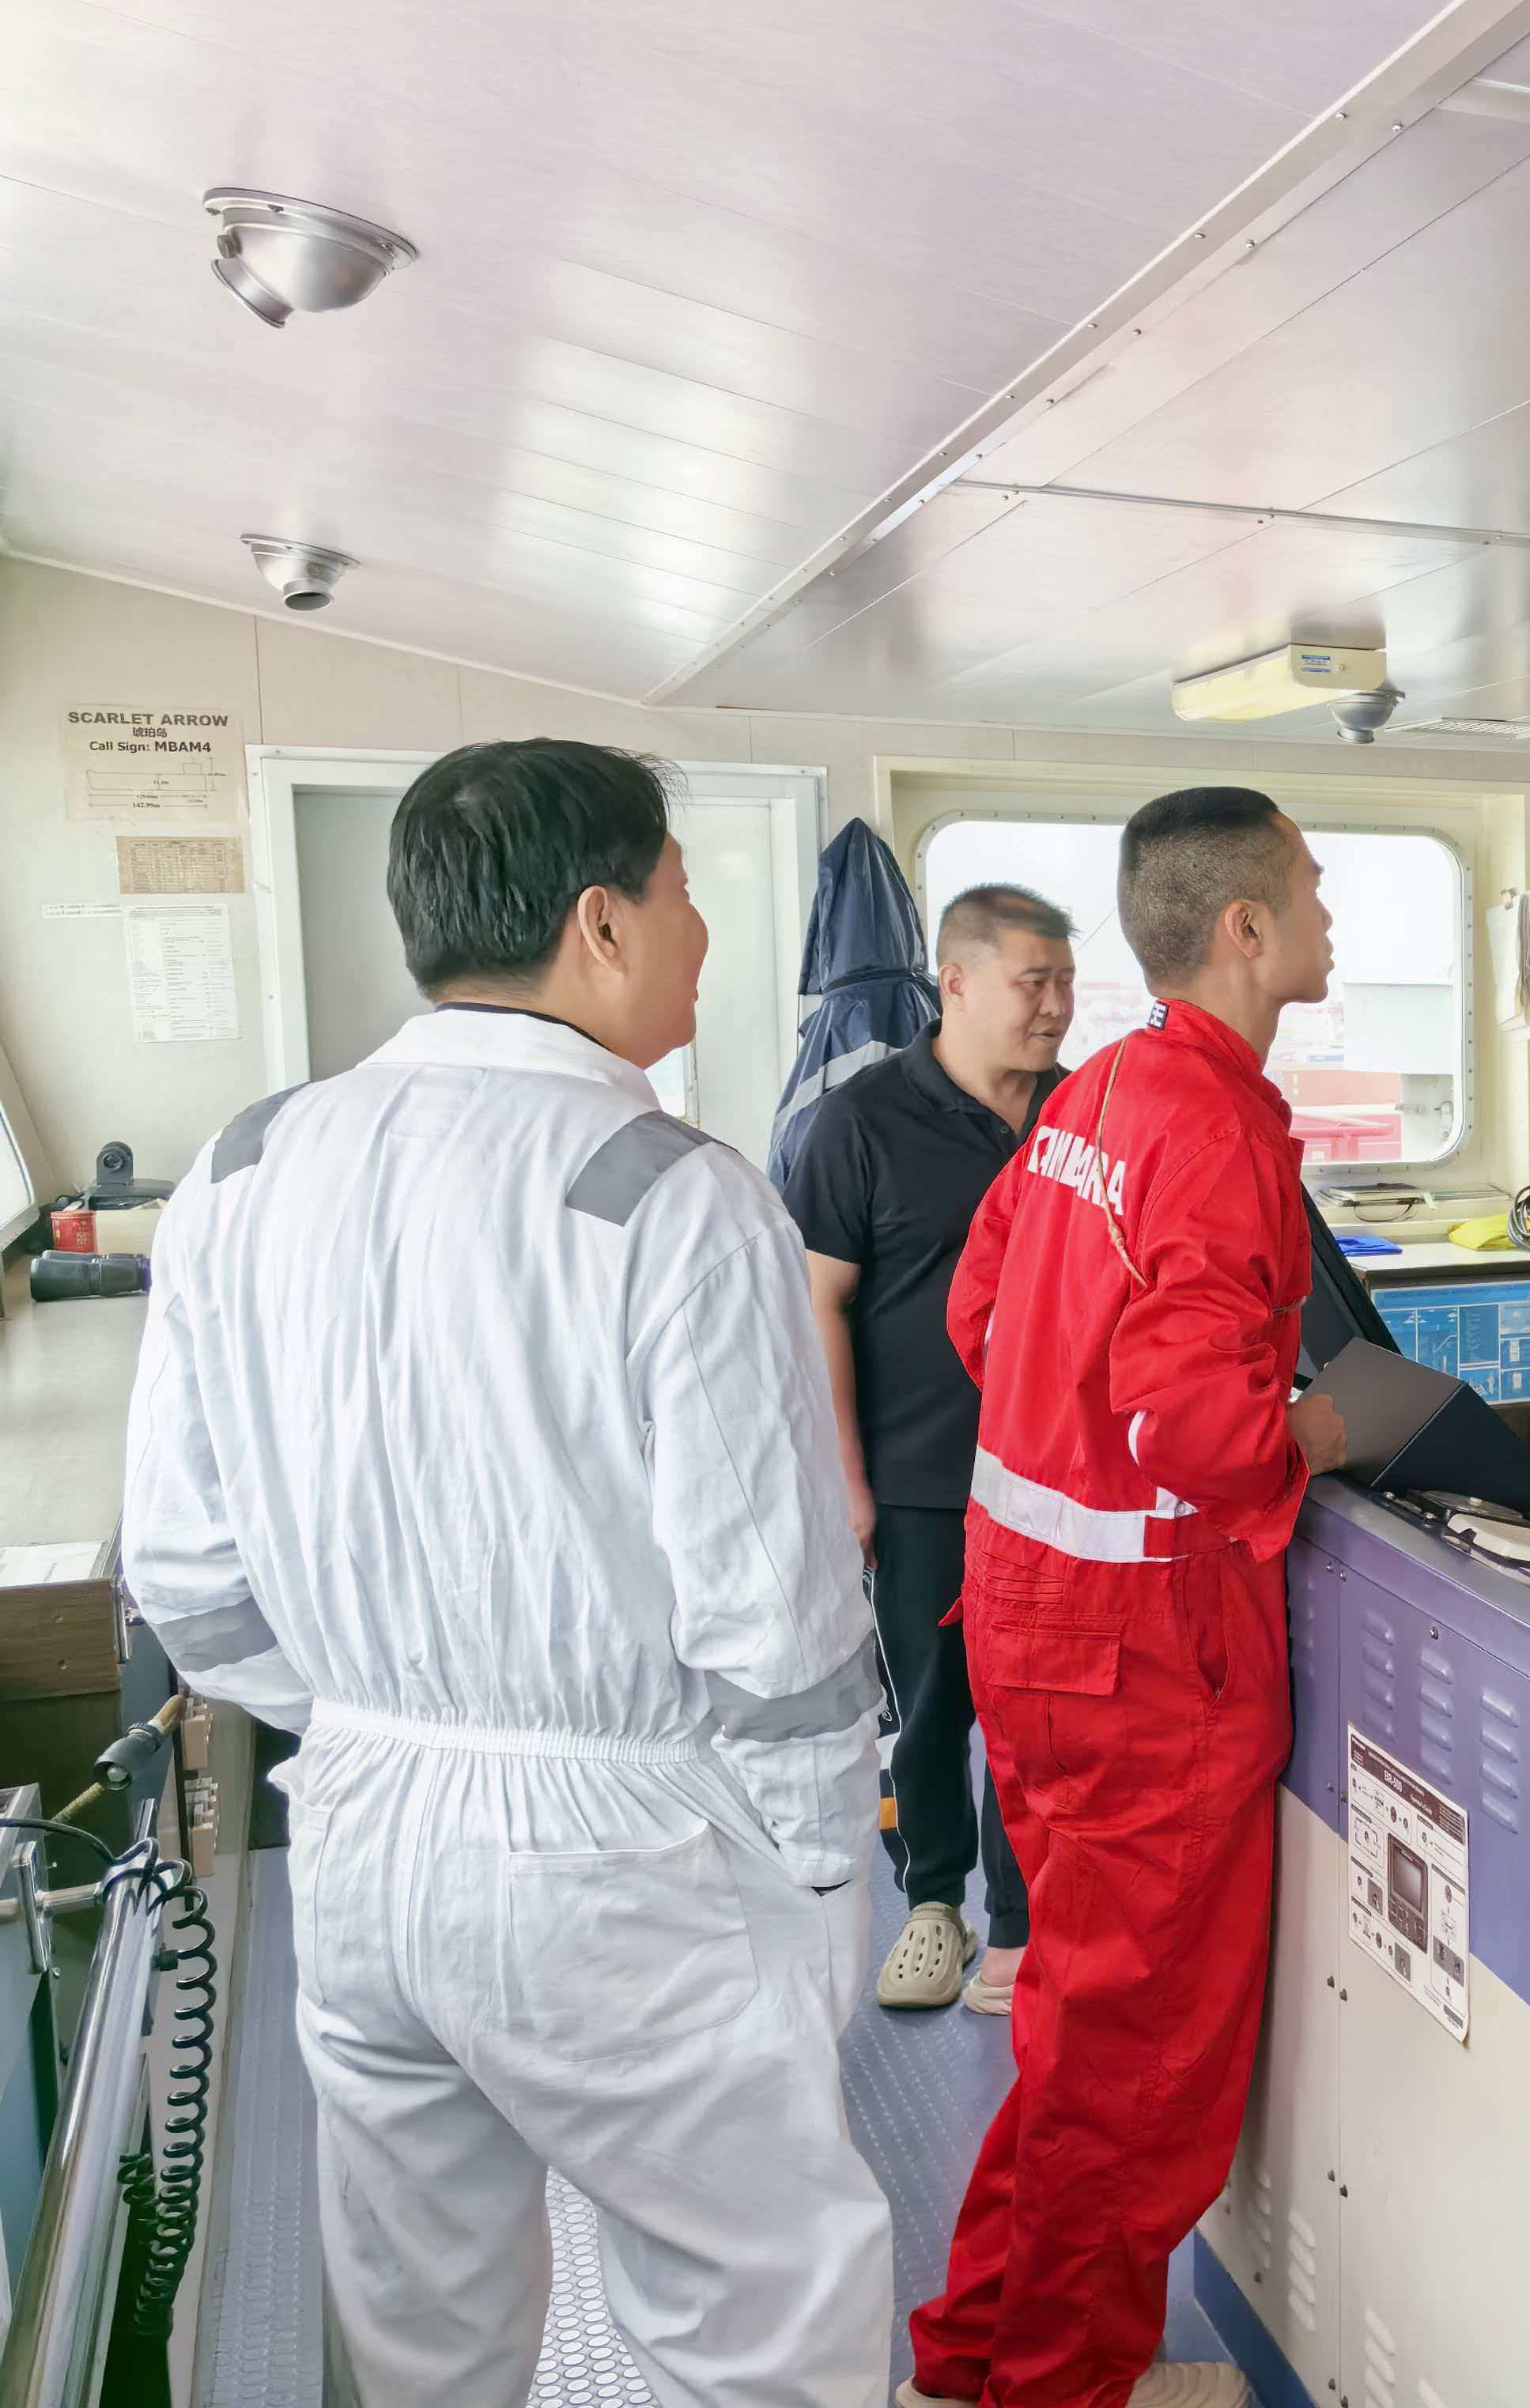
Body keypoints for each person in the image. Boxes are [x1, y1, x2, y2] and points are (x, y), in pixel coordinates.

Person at [123, 740, 890, 2406]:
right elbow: (773, 1619)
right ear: (600, 923)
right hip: (626, 1848)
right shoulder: (678, 1194)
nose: (702, 934)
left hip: (355, 1823)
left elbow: (185, 1574)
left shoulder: (242, 1165)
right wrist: (830, 1868)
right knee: (758, 2313)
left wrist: (376, 1709)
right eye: (683, 893)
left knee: (425, 2319)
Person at [905, 787, 1351, 2408]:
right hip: (1146, 1660)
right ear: (1244, 926)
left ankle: (970, 2358)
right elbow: (1198, 1429)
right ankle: (1061, 2388)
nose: (1328, 918)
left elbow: (979, 1310)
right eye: (1310, 889)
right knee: (1138, 2069)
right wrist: (1326, 1427)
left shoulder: (1095, 1089)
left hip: (1025, 1621)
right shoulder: (1213, 1124)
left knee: (1072, 2032)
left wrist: (1076, 1433)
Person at [786, 883, 1075, 2014]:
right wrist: (847, 1480)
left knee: (1033, 1717)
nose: (1055, 1007)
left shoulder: (1080, 1119)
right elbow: (820, 1305)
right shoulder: (860, 1121)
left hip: (1056, 1484)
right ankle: (934, 1903)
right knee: (928, 1708)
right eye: (1033, 982)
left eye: (1066, 983)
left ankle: (1019, 1927)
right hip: (918, 1480)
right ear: (955, 982)